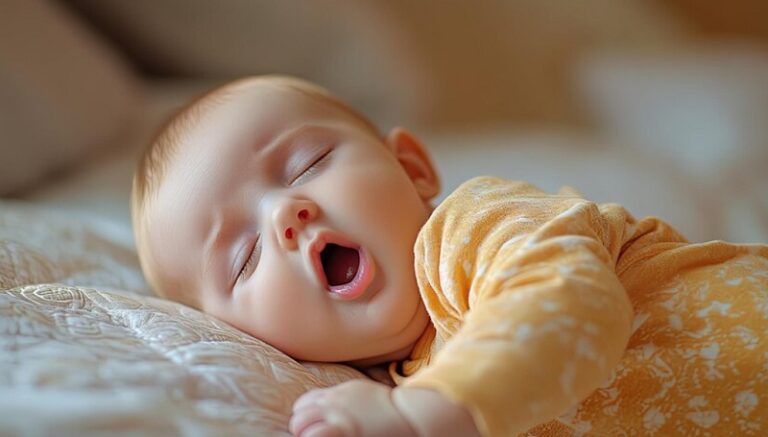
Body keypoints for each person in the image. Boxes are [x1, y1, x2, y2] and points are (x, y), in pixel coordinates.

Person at [131, 75, 768, 436]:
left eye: (307, 164)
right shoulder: (395, 384)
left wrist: (420, 414)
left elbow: (570, 307)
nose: (284, 216)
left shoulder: (473, 228)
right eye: (244, 257)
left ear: (411, 168)